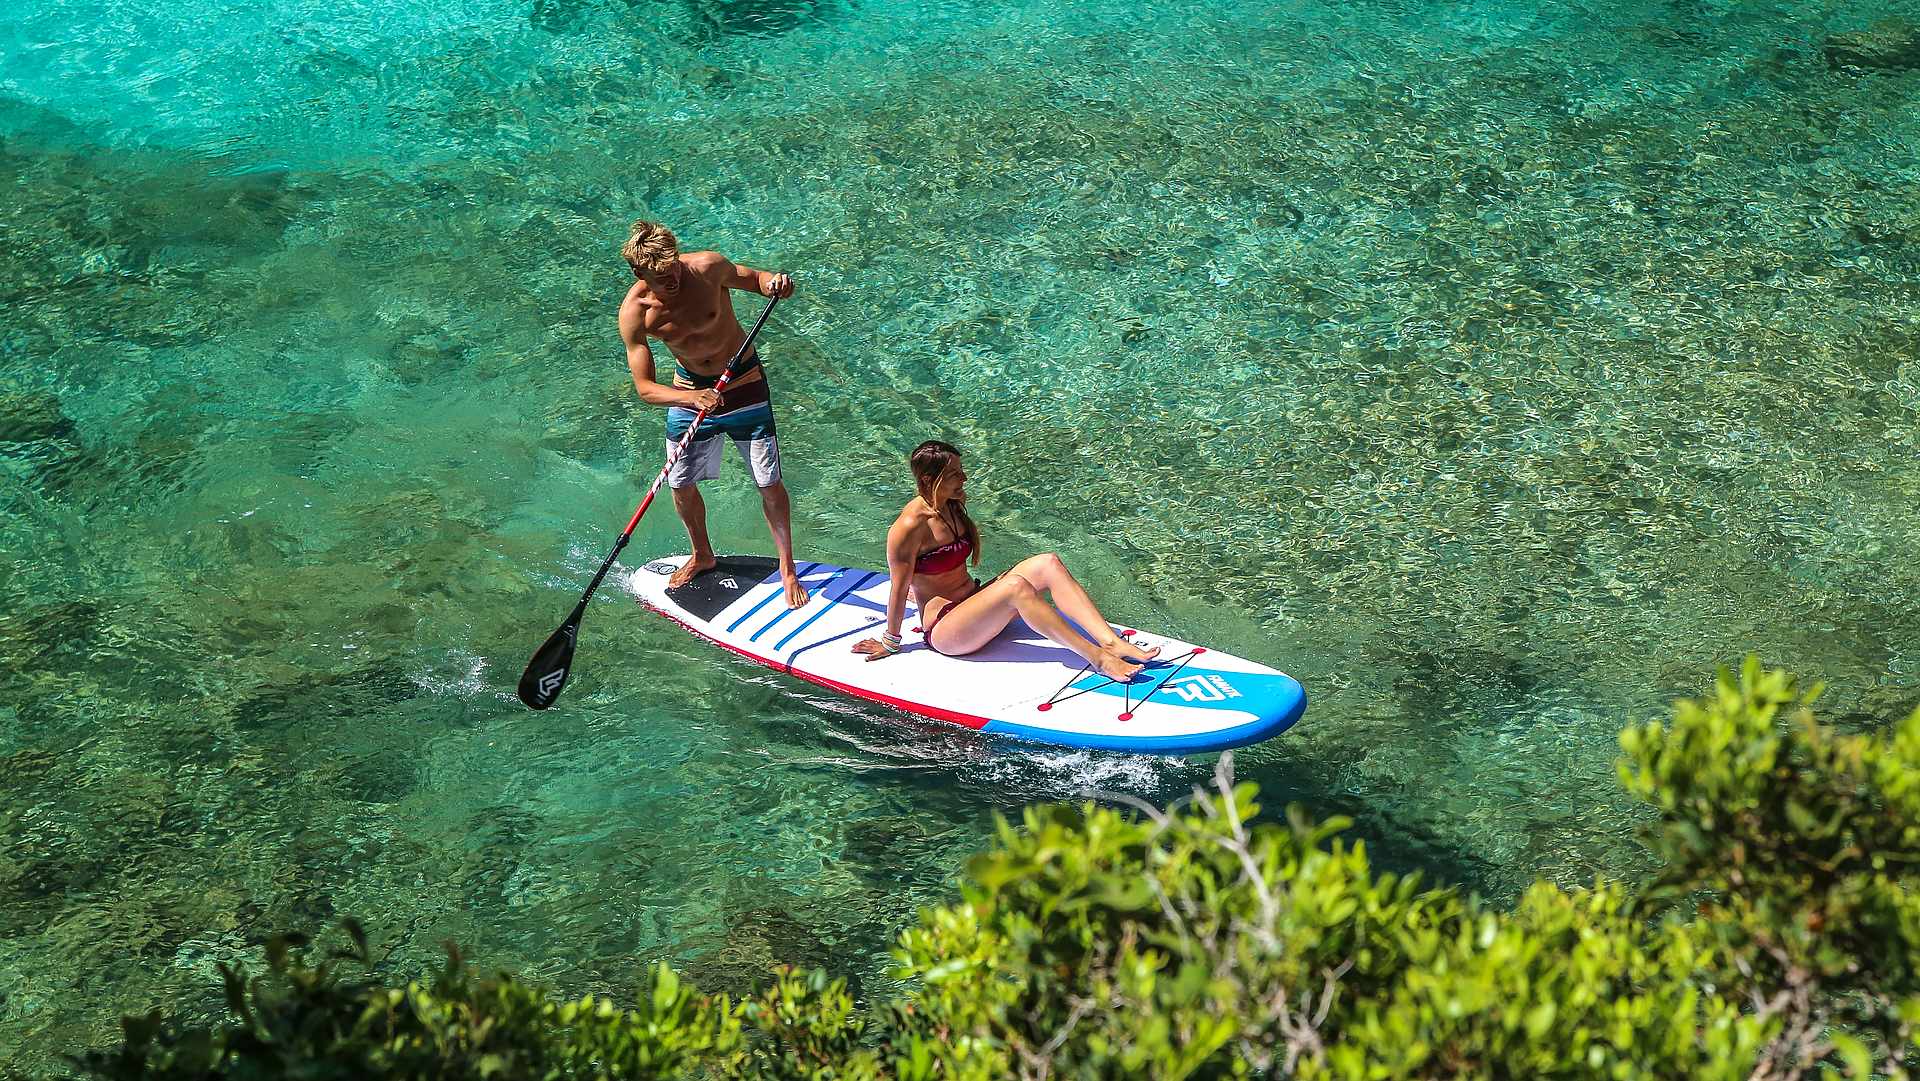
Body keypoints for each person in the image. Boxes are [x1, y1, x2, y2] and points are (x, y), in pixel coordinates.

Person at [851, 440, 1160, 680]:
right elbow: (898, 588)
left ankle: (1109, 641)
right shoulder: (909, 527)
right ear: (930, 479)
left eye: (961, 470)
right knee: (1015, 586)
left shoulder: (951, 505)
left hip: (975, 607)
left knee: (1048, 563)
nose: (964, 478)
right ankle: (1098, 659)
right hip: (947, 629)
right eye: (954, 474)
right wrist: (890, 642)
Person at [619, 220, 807, 608]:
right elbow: (645, 389)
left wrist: (775, 284)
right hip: (690, 392)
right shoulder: (636, 314)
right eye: (661, 277)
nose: (673, 280)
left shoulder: (707, 267)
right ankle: (702, 554)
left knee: (768, 482)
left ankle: (787, 568)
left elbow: (757, 279)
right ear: (639, 274)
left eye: (674, 268)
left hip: (744, 384)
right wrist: (690, 398)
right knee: (680, 484)